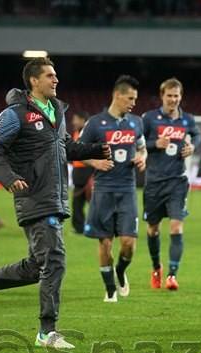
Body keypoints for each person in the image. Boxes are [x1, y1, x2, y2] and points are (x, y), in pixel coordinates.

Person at [0, 57, 110, 349]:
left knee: (36, 266)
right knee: (54, 261)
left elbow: (64, 146)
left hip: (54, 197)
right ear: (34, 80)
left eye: (55, 75)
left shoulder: (56, 110)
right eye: (50, 76)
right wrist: (9, 178)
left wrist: (94, 150)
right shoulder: (14, 114)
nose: (56, 80)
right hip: (33, 196)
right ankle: (46, 331)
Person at [81, 75, 146, 302]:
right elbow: (76, 151)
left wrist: (142, 157)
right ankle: (110, 289)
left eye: (135, 99)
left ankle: (120, 270)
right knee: (105, 242)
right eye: (130, 98)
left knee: (128, 243)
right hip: (103, 190)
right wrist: (95, 162)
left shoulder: (136, 122)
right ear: (117, 95)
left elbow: (142, 148)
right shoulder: (95, 123)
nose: (133, 103)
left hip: (127, 189)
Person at [142, 78, 200, 290]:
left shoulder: (187, 120)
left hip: (177, 181)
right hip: (154, 182)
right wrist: (154, 144)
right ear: (162, 96)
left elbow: (196, 135)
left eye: (176, 96)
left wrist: (192, 146)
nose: (173, 99)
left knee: (176, 225)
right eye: (169, 95)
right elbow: (138, 143)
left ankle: (172, 275)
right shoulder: (149, 118)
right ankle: (156, 267)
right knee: (153, 228)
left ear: (180, 96)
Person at [69, 111, 93, 234]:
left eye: (76, 119)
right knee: (77, 203)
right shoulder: (76, 133)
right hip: (78, 173)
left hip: (88, 171)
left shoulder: (90, 133)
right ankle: (79, 228)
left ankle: (97, 226)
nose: (73, 122)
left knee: (94, 202)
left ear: (83, 120)